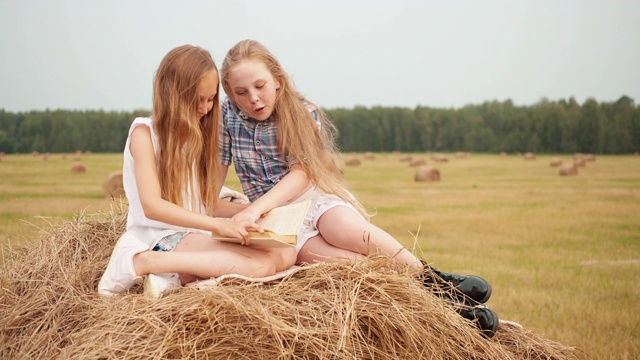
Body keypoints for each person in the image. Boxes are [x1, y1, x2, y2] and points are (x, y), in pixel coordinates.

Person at [218, 39, 499, 337]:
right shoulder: (226, 117)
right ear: (230, 95)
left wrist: (256, 208)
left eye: (260, 86)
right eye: (241, 92)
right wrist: (244, 214)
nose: (253, 98)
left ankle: (434, 279)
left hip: (311, 196)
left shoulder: (301, 110)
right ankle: (448, 310)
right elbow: (212, 184)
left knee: (344, 229)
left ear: (277, 78)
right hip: (281, 224)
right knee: (356, 267)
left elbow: (302, 172)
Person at [98, 44, 297, 300]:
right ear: (173, 94)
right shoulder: (144, 134)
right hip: (161, 235)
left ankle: (179, 278)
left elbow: (202, 203)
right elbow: (152, 206)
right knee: (260, 265)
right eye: (197, 99)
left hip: (196, 231)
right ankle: (143, 263)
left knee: (286, 252)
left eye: (211, 98)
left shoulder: (199, 135)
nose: (205, 108)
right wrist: (217, 226)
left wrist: (250, 214)